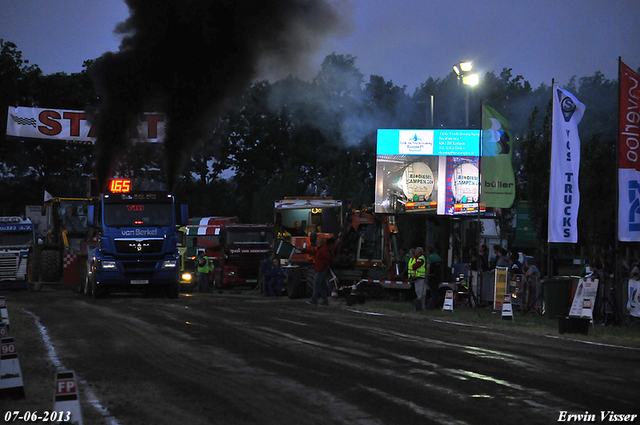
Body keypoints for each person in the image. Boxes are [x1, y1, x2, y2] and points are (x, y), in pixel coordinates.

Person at [307, 238, 335, 306]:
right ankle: (325, 301)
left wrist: (324, 265)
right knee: (321, 287)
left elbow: (326, 258)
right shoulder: (321, 250)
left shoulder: (321, 250)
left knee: (316, 285)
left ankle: (314, 300)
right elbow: (313, 253)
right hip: (322, 270)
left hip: (320, 271)